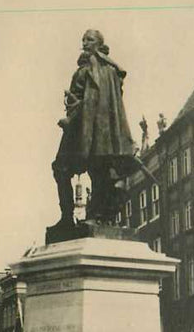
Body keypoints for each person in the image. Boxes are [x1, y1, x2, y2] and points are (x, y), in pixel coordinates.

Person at [52, 29, 140, 226]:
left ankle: (71, 218)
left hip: (81, 129)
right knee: (98, 170)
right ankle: (96, 216)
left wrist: (72, 109)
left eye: (89, 40)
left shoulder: (88, 71)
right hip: (103, 133)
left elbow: (86, 102)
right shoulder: (111, 72)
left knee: (62, 169)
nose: (84, 42)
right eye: (83, 39)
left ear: (99, 44)